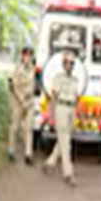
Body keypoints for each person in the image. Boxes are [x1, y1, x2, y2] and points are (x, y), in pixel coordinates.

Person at [43, 48, 80, 186]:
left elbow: (77, 98)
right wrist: (50, 114)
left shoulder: (76, 80)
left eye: (72, 63)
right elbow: (53, 97)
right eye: (67, 63)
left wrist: (80, 116)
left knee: (64, 139)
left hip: (71, 109)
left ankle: (50, 162)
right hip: (61, 108)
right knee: (66, 143)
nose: (70, 65)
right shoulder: (58, 79)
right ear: (63, 64)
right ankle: (68, 173)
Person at [8, 45, 36, 165]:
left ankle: (28, 154)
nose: (28, 58)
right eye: (26, 55)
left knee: (28, 128)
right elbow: (13, 86)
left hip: (29, 101)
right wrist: (21, 100)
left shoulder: (32, 69)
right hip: (18, 101)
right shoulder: (17, 69)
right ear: (22, 56)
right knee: (15, 127)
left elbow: (34, 84)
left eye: (30, 55)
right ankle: (11, 150)